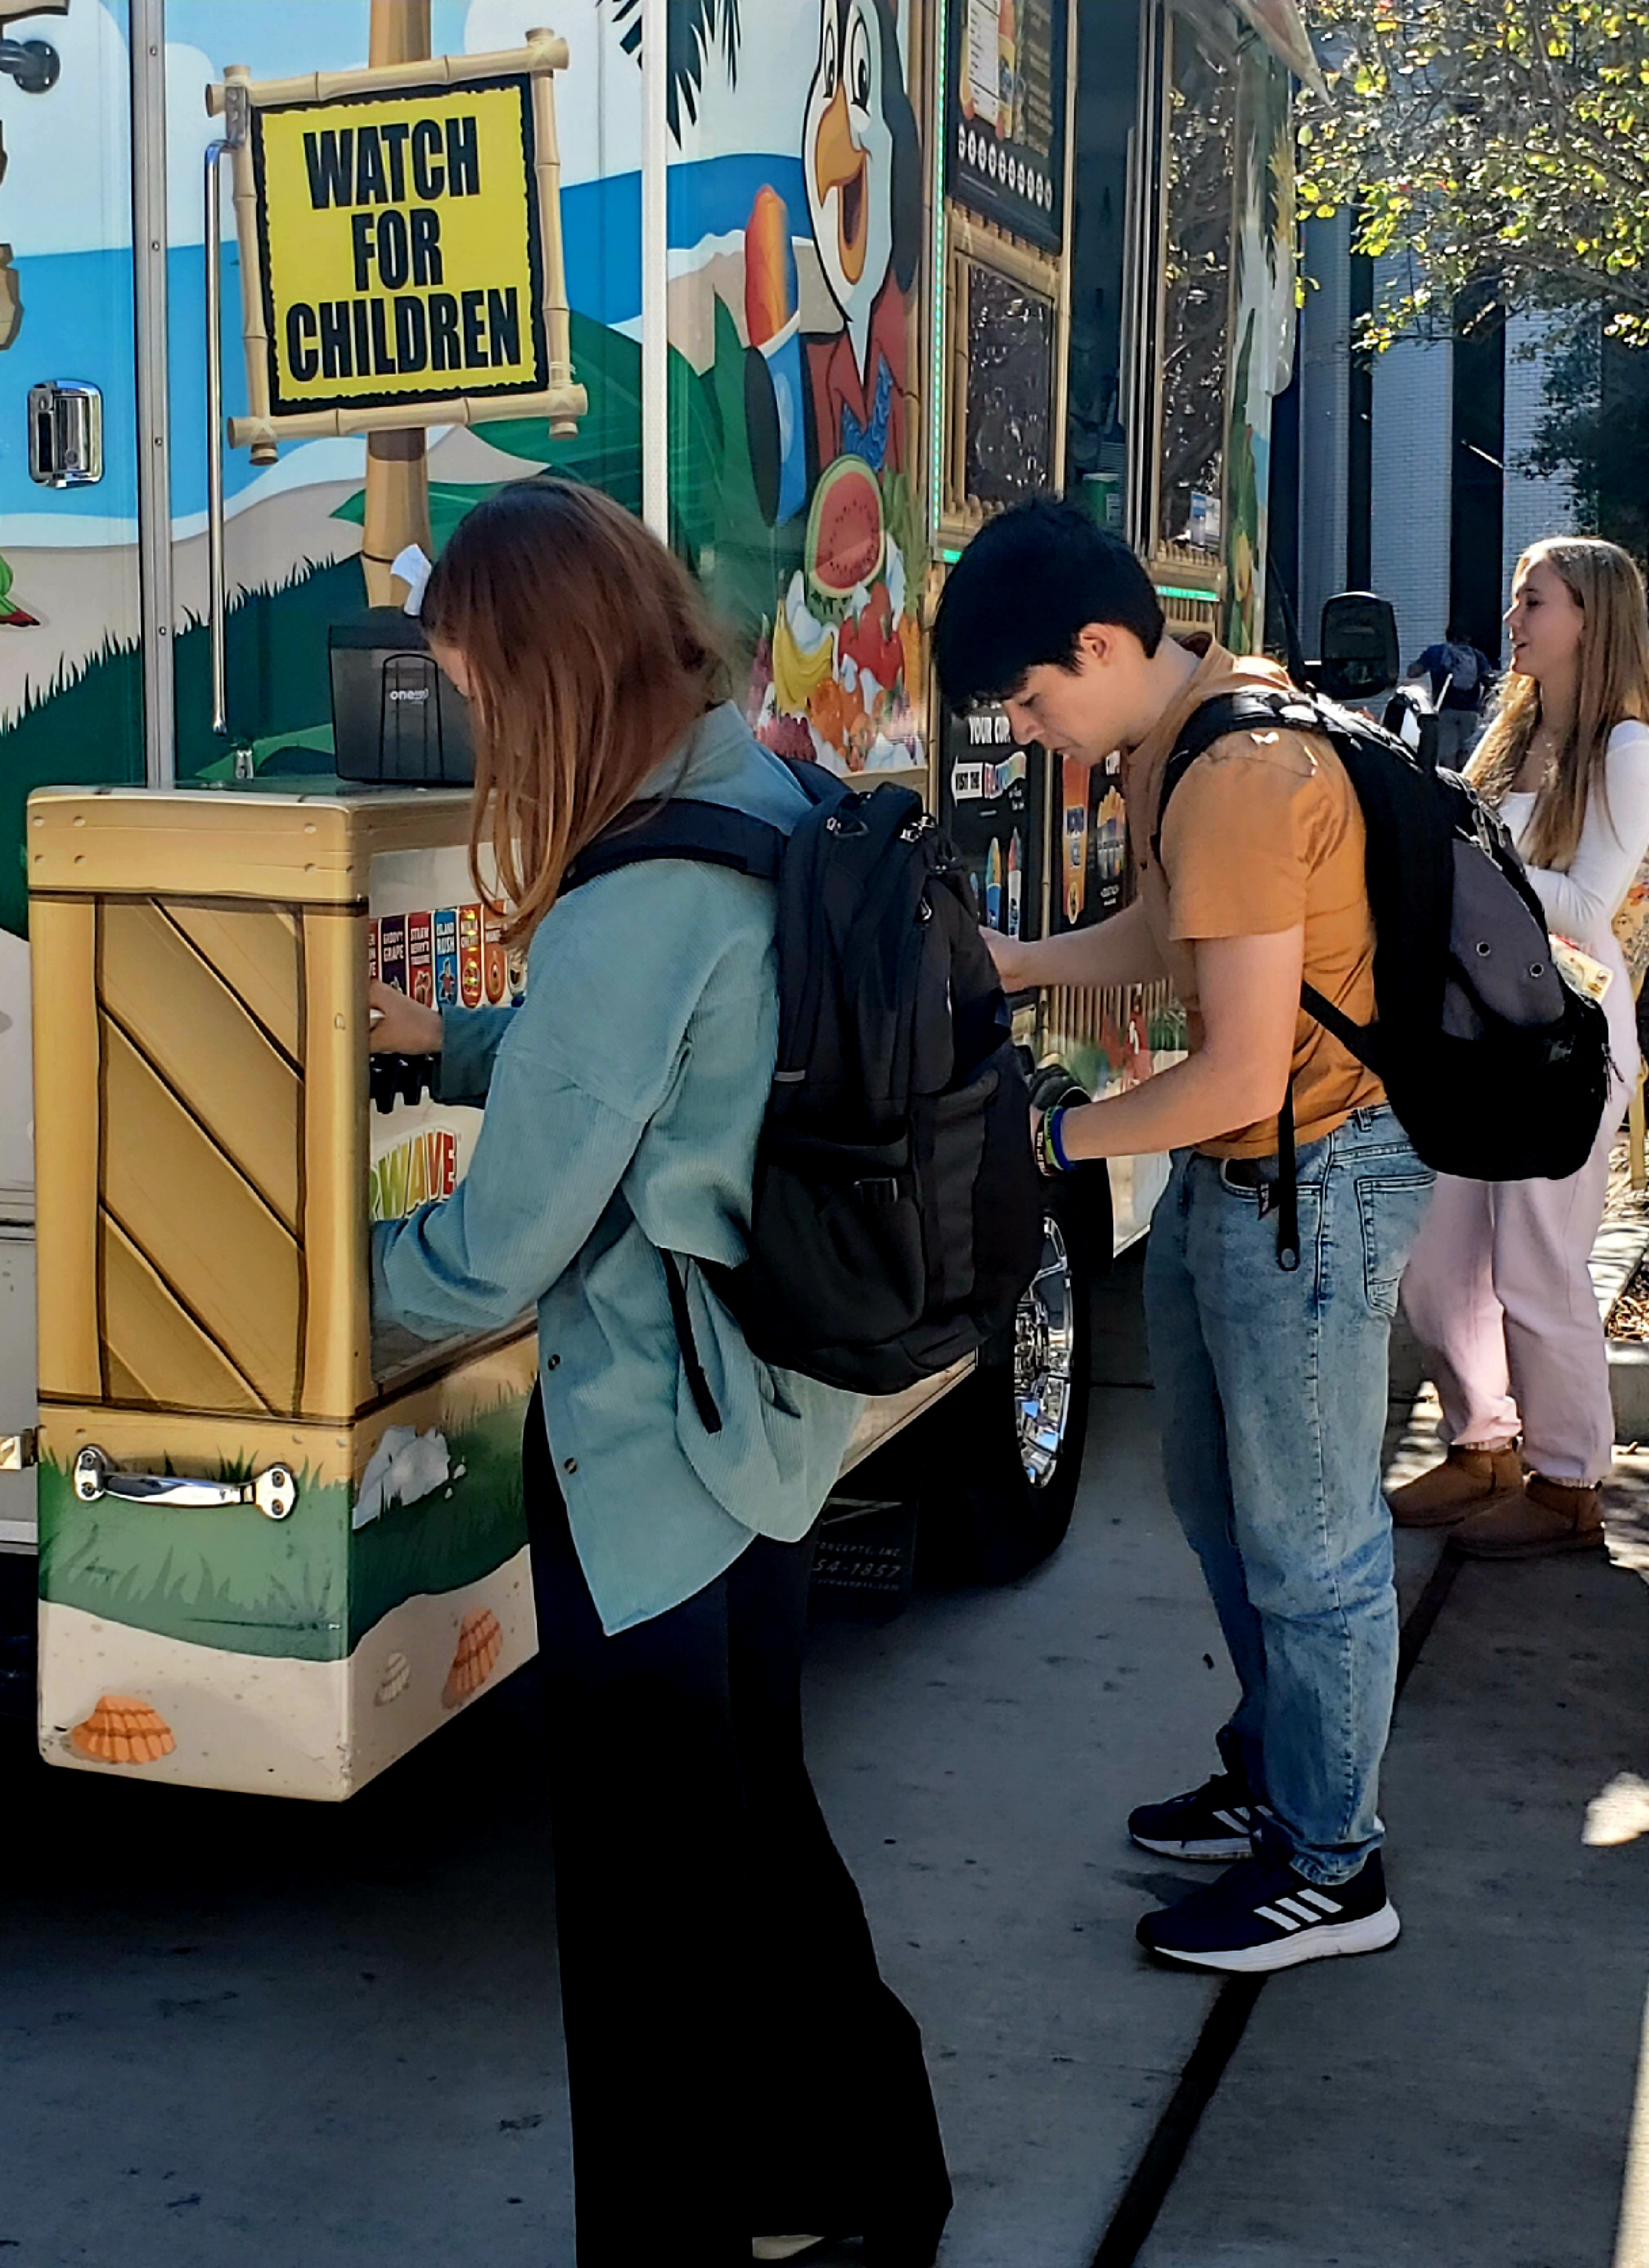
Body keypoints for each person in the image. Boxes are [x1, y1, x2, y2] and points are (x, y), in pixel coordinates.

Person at [368, 482, 952, 2268]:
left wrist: (316, 1285)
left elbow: (500, 1243)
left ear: (541, 678)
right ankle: (867, 2171)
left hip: (652, 1440)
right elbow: (667, 1041)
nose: (469, 718)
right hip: (773, 1409)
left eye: (473, 683)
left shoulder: (636, 894)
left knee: (643, 1904)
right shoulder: (753, 791)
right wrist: (468, 1032)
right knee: (755, 1818)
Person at [934, 497, 1432, 1976]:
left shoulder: (1235, 771)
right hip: (1261, 1174)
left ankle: (1334, 1866)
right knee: (1226, 1513)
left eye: (1032, 698)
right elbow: (1177, 940)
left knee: (1314, 1540)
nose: (1029, 732)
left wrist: (1054, 1135)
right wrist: (1022, 962)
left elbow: (1236, 1067)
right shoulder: (1199, 728)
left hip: (1313, 1174)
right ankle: (1279, 1776)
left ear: (1098, 644)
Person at [1392, 538, 1649, 1558]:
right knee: (1437, 1263)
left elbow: (1588, 906)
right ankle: (1479, 1442)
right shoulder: (1513, 734)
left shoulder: (1625, 749)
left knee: (1537, 1269)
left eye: (1529, 601)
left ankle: (1567, 1478)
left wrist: (1470, 858)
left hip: (1565, 1043)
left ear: (1588, 614)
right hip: (1477, 1035)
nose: (1511, 620)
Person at [1411, 624, 1493, 713]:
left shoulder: (1436, 652)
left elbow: (1412, 673)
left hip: (1443, 711)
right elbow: (1490, 682)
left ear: (1447, 636)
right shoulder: (1477, 655)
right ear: (1468, 638)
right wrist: (1482, 704)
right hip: (1470, 712)